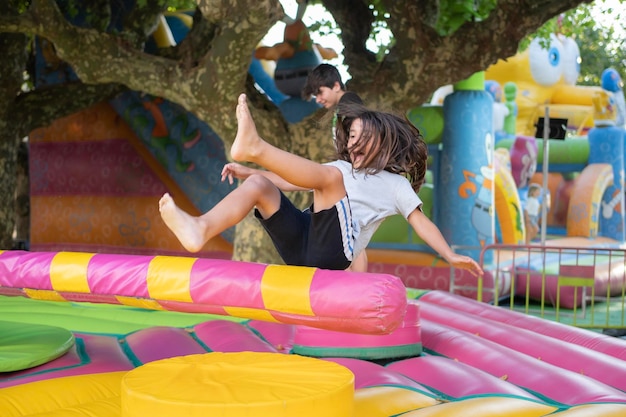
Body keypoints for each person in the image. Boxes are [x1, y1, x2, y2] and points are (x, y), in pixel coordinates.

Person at [159, 94, 483, 277]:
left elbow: (421, 222)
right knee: (261, 184)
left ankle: (256, 146)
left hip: (334, 254)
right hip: (303, 247)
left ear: (384, 146)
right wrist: (248, 173)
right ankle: (200, 228)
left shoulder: (394, 185)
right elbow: (292, 181)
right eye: (352, 136)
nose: (354, 143)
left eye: (364, 138)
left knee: (329, 179)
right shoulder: (339, 171)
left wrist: (449, 255)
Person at [302, 64, 363, 141]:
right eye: (315, 95)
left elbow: (360, 135)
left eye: (320, 92)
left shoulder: (349, 101)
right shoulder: (341, 106)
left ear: (336, 86)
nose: (317, 100)